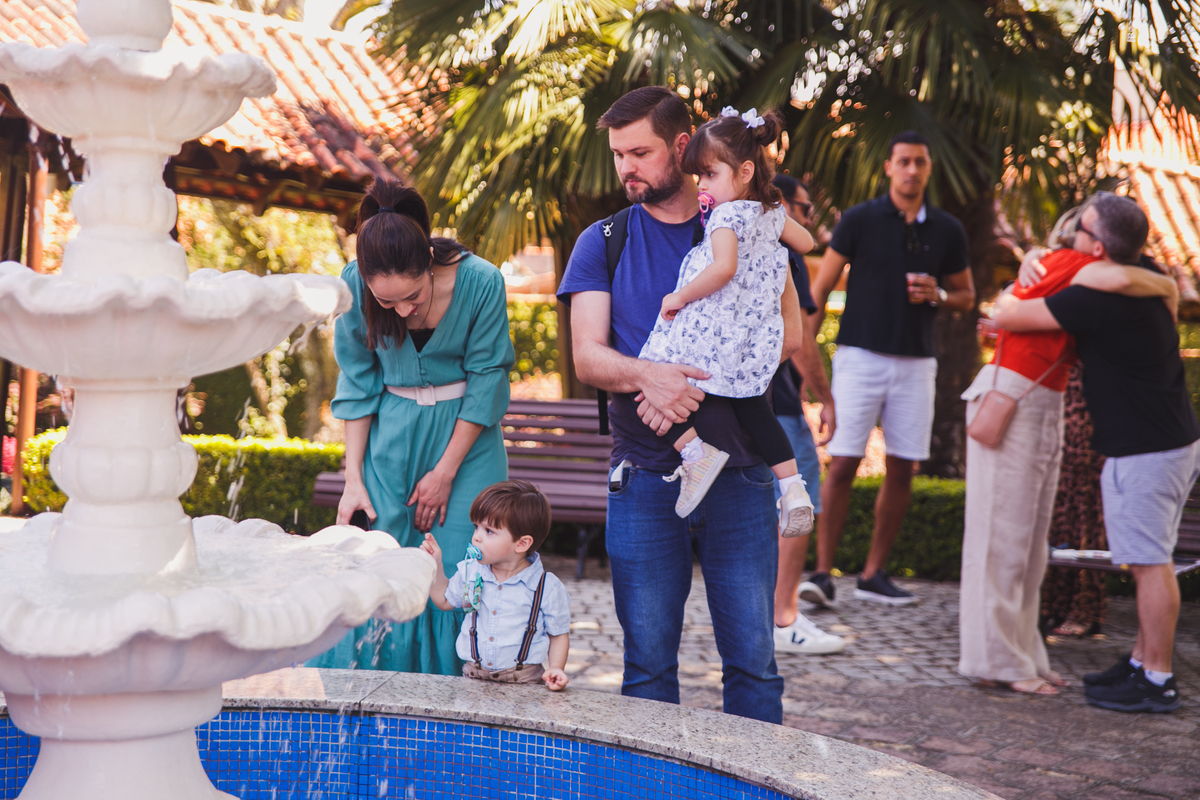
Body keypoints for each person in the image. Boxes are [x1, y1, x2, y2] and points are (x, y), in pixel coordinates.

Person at [558, 86, 806, 723]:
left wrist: (702, 382)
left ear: (682, 146)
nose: (626, 169)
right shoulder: (603, 241)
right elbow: (588, 357)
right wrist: (653, 376)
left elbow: (789, 338)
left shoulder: (746, 223)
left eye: (639, 151)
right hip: (643, 476)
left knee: (753, 665)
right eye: (617, 155)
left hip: (744, 476)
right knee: (646, 668)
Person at [960, 204, 1176, 695]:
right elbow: (1004, 310)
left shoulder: (1086, 267)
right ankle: (997, 661)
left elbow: (1141, 281)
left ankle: (1023, 654)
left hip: (1041, 399)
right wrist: (1162, 286)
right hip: (1015, 398)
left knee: (1030, 543)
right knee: (1003, 538)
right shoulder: (1077, 265)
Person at [310, 179, 515, 676]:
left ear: (428, 259)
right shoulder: (353, 283)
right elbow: (358, 386)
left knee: (468, 565)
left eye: (413, 297)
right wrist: (353, 480)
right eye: (388, 304)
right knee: (381, 566)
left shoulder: (482, 281)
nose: (403, 311)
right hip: (390, 443)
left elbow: (488, 381)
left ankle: (461, 705)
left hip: (467, 446)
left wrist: (445, 473)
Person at [807, 131, 976, 607]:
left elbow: (967, 295)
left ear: (928, 169)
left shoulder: (948, 229)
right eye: (903, 161)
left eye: (919, 162)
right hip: (859, 356)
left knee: (904, 467)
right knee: (842, 464)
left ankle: (873, 574)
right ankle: (822, 573)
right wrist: (805, 363)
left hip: (917, 363)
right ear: (888, 167)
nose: (911, 170)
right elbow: (817, 293)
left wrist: (939, 295)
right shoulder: (859, 220)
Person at [638, 107, 816, 534]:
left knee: (649, 382)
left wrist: (678, 295)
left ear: (744, 171)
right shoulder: (770, 211)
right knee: (754, 407)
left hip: (710, 327)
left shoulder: (724, 216)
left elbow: (723, 269)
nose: (702, 186)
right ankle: (793, 487)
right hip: (751, 333)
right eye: (698, 176)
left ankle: (696, 456)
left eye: (709, 174)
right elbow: (806, 243)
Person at [768, 174, 844, 656]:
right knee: (800, 501)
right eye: (805, 207)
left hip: (740, 403)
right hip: (778, 403)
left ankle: (767, 615)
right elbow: (799, 343)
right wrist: (828, 398)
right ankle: (783, 618)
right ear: (780, 204)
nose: (810, 218)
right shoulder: (784, 249)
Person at [421, 480, 571, 690]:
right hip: (473, 676)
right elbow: (445, 600)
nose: (476, 537)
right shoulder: (471, 571)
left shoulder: (546, 587)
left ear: (521, 543)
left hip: (525, 682)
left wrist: (556, 667)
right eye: (476, 527)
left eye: (489, 531)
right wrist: (434, 565)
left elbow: (558, 634)